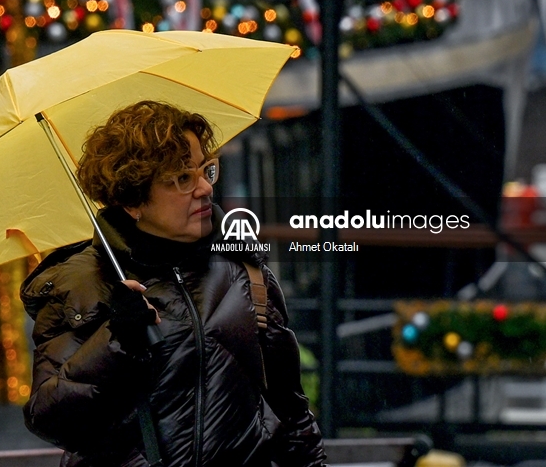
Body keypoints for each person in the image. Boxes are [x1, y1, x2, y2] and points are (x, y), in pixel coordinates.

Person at [21, 101, 327, 467]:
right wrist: (117, 342)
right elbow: (52, 419)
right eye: (182, 179)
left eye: (205, 170)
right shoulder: (77, 285)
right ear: (133, 199)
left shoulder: (244, 269)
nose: (204, 189)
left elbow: (291, 413)